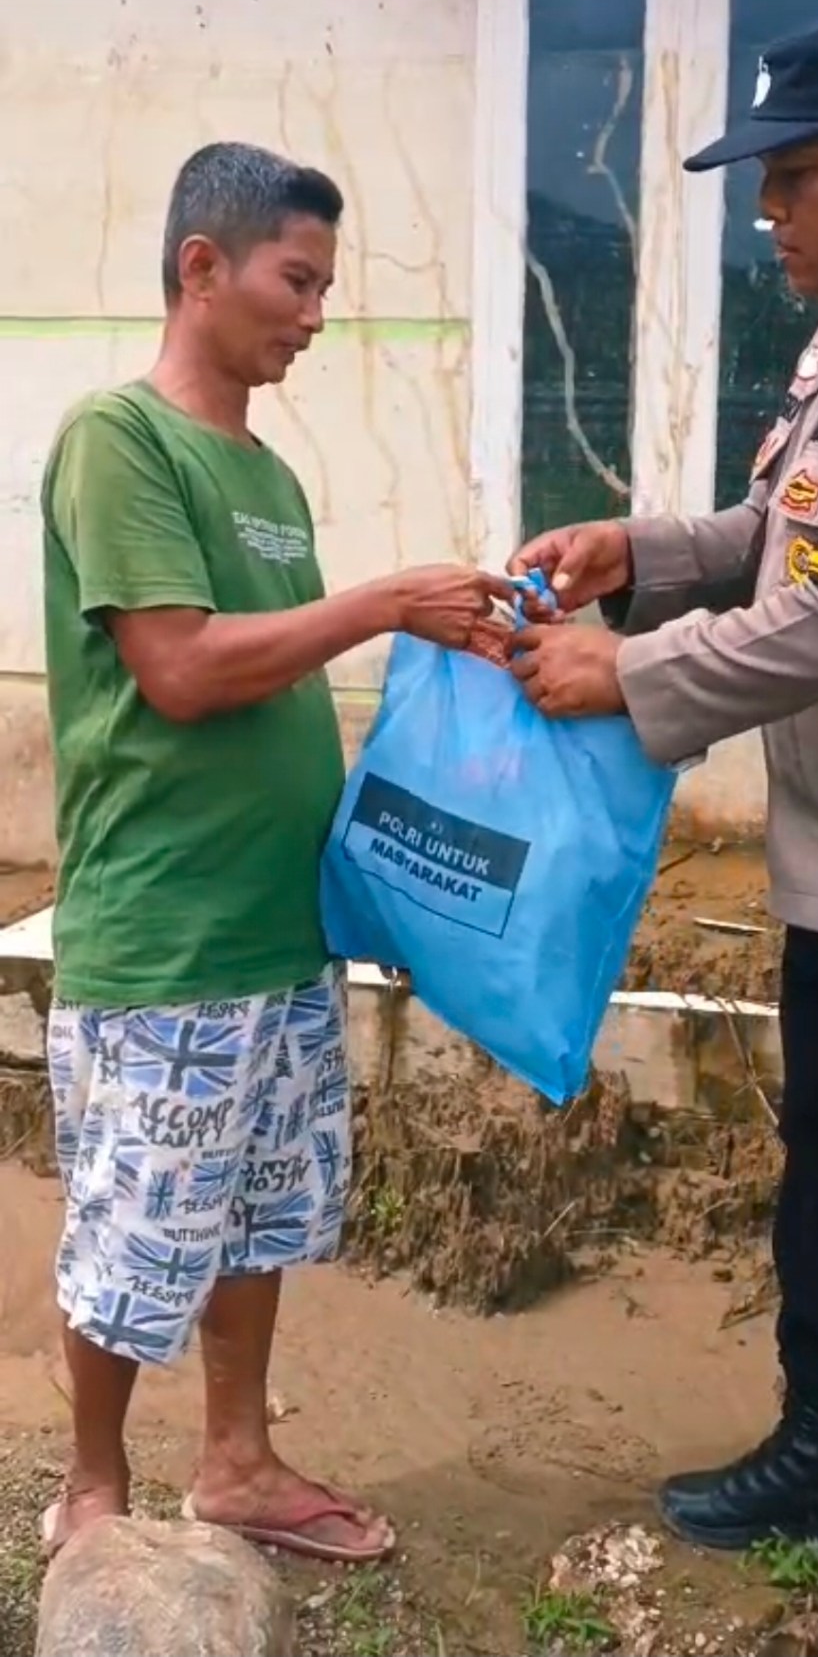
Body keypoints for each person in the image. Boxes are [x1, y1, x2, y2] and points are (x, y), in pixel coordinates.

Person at [507, 5, 818, 1657]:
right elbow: (774, 538)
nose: (769, 211)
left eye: (796, 177)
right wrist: (638, 554)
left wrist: (624, 673)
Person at [41, 140, 507, 1562]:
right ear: (202, 268)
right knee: (135, 1226)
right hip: (165, 933)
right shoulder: (117, 441)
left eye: (323, 285)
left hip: (274, 930)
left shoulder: (272, 479)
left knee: (253, 1212)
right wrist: (380, 602)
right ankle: (94, 1481)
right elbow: (179, 667)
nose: (314, 313)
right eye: (295, 279)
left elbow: (279, 673)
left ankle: (237, 1461)